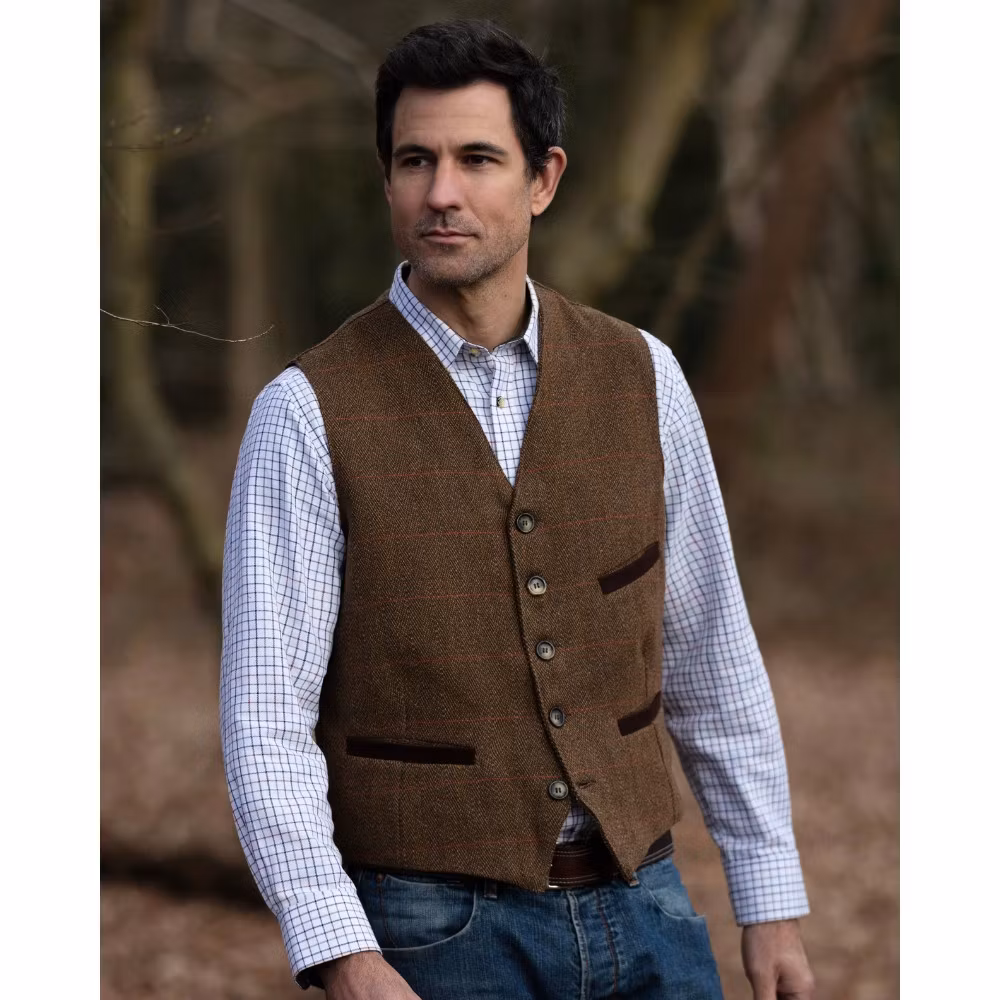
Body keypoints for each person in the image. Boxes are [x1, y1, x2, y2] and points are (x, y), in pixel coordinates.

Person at [221, 19, 815, 1000]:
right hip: (429, 933)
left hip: (649, 908)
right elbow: (266, 720)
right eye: (414, 160)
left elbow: (712, 654)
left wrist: (768, 897)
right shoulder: (306, 412)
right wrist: (343, 953)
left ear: (544, 179)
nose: (440, 192)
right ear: (386, 180)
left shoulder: (645, 376)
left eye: (477, 158)